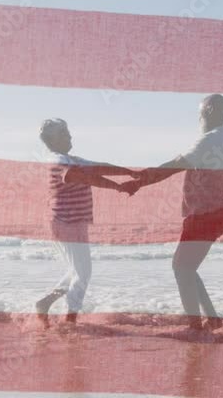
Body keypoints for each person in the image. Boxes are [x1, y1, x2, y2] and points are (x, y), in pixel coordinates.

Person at [127, 94, 223, 331]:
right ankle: (212, 318)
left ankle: (195, 327)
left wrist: (141, 179)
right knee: (187, 268)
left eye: (199, 112)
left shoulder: (210, 140)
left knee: (181, 268)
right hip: (213, 212)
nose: (198, 118)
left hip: (205, 214)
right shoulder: (222, 138)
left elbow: (176, 164)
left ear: (208, 110)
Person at [35, 118, 138, 328]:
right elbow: (87, 178)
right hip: (66, 223)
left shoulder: (69, 158)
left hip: (73, 222)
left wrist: (129, 172)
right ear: (53, 140)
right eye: (65, 134)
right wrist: (119, 187)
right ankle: (70, 318)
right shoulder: (58, 161)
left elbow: (99, 168)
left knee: (76, 271)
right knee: (83, 274)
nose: (70, 136)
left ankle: (45, 303)